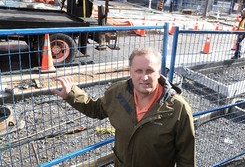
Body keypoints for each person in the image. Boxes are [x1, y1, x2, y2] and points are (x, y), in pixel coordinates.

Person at [52, 47, 196, 167]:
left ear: (159, 73)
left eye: (150, 71)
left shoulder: (178, 109)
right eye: (138, 71)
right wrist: (71, 94)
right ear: (130, 72)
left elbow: (186, 158)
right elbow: (96, 109)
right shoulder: (118, 93)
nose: (144, 77)